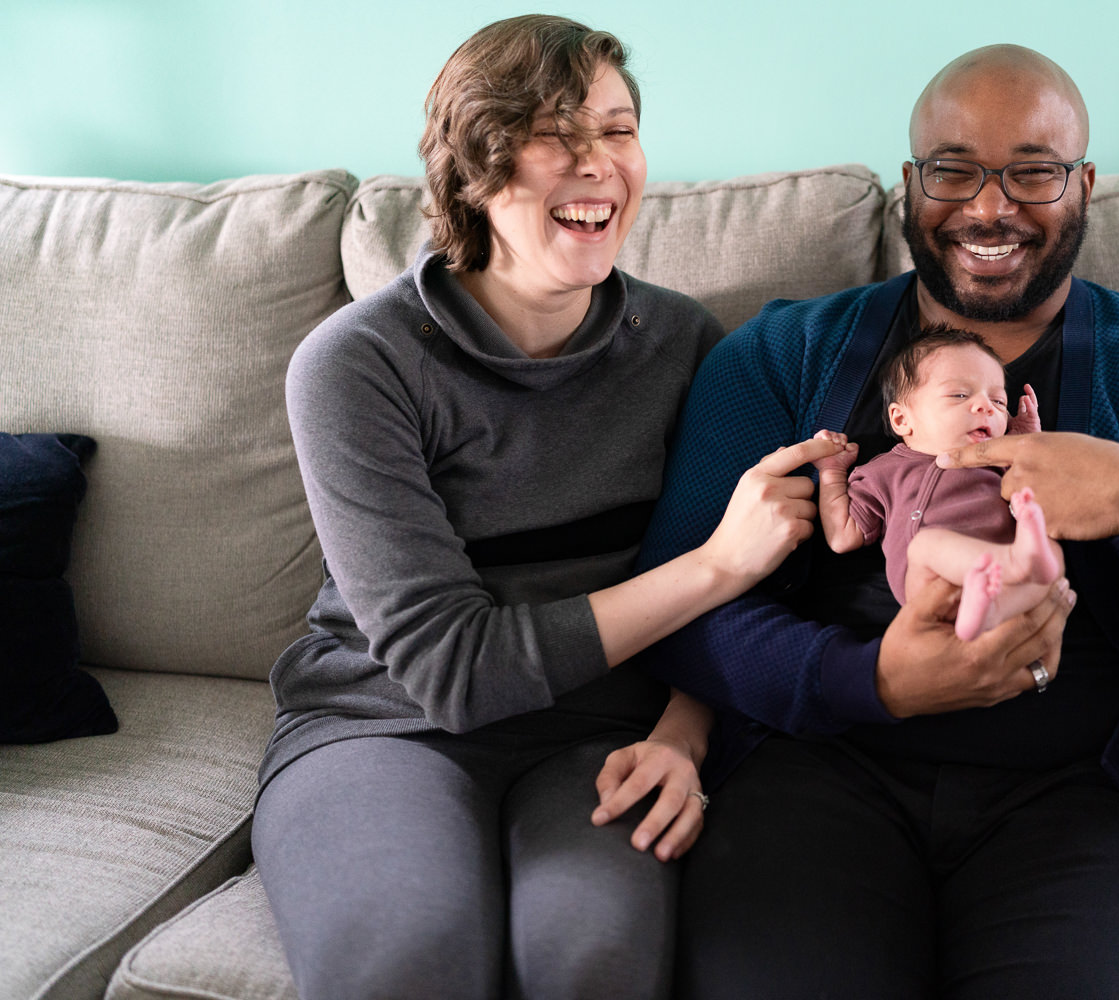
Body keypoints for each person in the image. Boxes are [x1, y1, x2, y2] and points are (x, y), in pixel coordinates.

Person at [637, 43, 1119, 999]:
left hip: (1087, 800)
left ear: (1084, 185)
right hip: (817, 775)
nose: (989, 206)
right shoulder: (782, 356)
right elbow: (675, 609)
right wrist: (870, 680)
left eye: (1033, 171)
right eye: (953, 169)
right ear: (908, 187)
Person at [249, 16, 839, 1000]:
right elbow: (454, 672)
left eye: (618, 129)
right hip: (381, 727)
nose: (600, 163)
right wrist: (715, 566)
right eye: (558, 133)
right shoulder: (357, 366)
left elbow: (750, 603)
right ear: (474, 169)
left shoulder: (684, 343)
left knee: (592, 957)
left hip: (598, 734)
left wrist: (687, 728)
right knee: (411, 959)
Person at [809, 326, 1057, 641]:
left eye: (998, 401)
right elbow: (842, 536)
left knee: (1052, 550)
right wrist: (831, 471)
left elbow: (1049, 486)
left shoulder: (1001, 462)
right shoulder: (885, 472)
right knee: (928, 546)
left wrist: (1026, 446)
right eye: (960, 394)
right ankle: (995, 585)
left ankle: (986, 609)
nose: (986, 407)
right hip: (931, 592)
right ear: (902, 420)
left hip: (1011, 595)